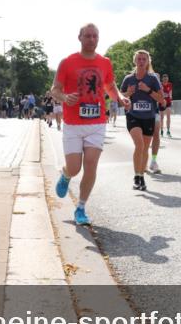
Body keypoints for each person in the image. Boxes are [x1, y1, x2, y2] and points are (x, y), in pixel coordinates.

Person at [51, 23, 129, 226]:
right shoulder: (67, 62)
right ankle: (66, 173)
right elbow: (55, 89)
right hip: (73, 123)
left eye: (95, 36)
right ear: (79, 37)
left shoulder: (104, 62)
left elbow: (109, 86)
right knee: (75, 168)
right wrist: (65, 97)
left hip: (96, 122)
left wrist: (120, 98)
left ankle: (81, 207)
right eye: (88, 36)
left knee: (91, 164)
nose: (92, 39)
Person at [121, 50, 163, 190]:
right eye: (139, 59)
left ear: (148, 61)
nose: (141, 61)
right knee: (139, 145)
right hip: (133, 116)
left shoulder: (152, 79)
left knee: (144, 148)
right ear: (135, 61)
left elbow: (161, 99)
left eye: (144, 59)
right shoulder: (128, 79)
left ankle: (141, 176)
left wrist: (148, 90)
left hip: (149, 117)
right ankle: (136, 176)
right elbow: (120, 99)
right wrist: (128, 93)